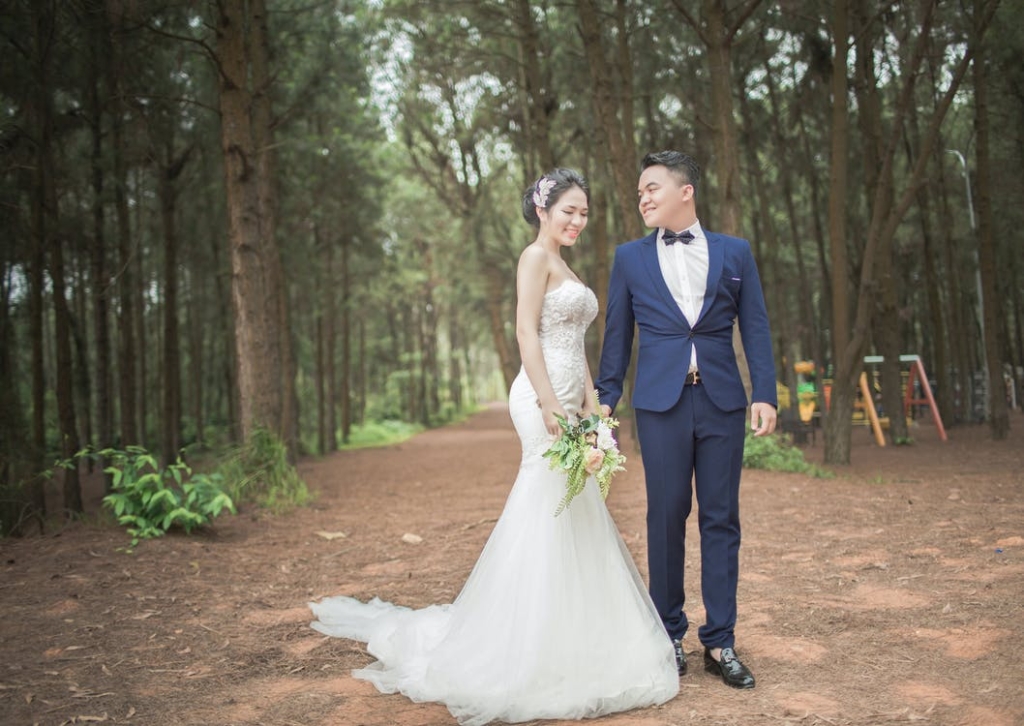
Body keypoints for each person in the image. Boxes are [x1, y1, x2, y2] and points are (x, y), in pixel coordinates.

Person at [309, 168, 679, 725]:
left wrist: (594, 402)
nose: (577, 221)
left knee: (575, 506)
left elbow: (576, 342)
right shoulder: (534, 259)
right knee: (545, 498)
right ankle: (518, 648)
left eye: (584, 213)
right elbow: (527, 332)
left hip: (571, 399)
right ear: (542, 210)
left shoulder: (565, 265)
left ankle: (571, 637)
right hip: (536, 398)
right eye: (568, 211)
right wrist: (552, 402)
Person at [596, 150, 777, 690]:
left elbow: (757, 326)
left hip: (721, 400)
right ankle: (667, 634)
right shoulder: (630, 258)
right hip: (659, 403)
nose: (643, 197)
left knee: (722, 519)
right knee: (665, 515)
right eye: (639, 192)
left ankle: (720, 641)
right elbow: (617, 338)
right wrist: (606, 402)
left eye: (651, 187)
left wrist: (764, 392)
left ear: (685, 191)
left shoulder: (735, 252)